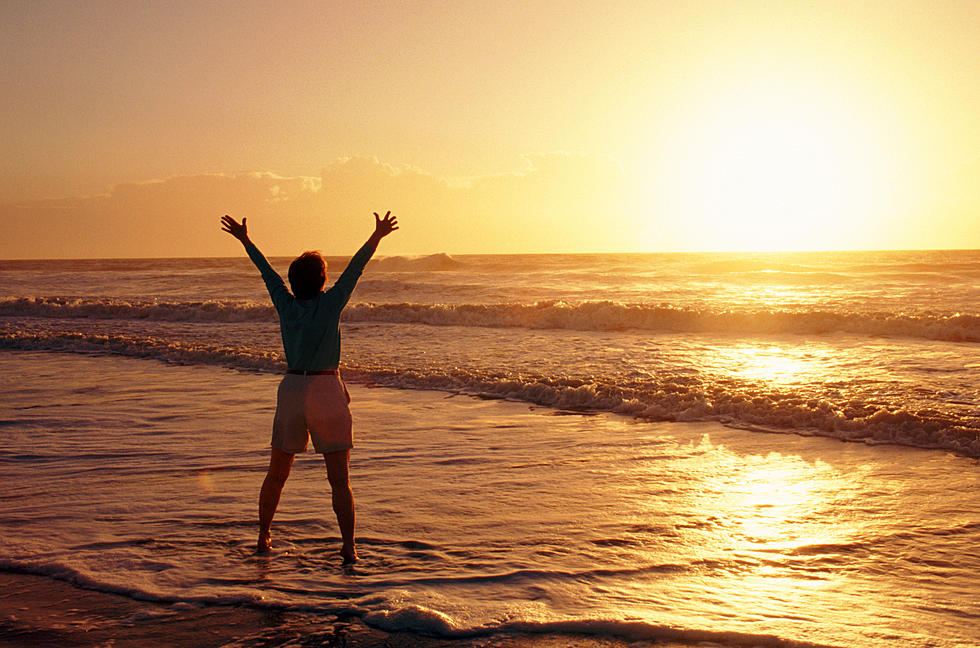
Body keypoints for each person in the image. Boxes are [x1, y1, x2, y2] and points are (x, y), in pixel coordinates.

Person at [221, 211, 398, 562]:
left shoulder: (285, 305)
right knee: (339, 481)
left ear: (294, 283)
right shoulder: (331, 304)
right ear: (322, 281)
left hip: (292, 390)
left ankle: (262, 536)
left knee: (277, 472)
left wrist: (245, 240)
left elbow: (266, 273)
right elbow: (355, 270)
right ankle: (348, 548)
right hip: (326, 389)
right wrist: (376, 236)